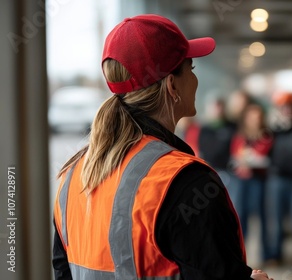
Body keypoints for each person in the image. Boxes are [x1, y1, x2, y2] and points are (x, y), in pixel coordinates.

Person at [52, 14, 272, 280]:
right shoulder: (185, 181)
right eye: (190, 69)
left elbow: (63, 272)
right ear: (172, 85)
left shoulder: (73, 175)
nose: (195, 80)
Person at [266, 93, 292, 265]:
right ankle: (275, 255)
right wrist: (271, 129)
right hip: (277, 179)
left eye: (290, 106)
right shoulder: (273, 130)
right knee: (276, 220)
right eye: (284, 107)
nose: (287, 110)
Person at [230, 103, 273, 264]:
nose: (255, 120)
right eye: (252, 117)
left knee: (262, 217)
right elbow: (235, 156)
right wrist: (248, 158)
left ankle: (267, 254)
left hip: (259, 181)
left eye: (258, 117)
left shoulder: (266, 135)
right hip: (241, 181)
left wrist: (247, 158)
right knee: (241, 218)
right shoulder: (240, 136)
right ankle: (240, 256)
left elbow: (261, 157)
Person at [198, 98, 236, 187]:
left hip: (228, 171)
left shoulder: (232, 127)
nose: (218, 110)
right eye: (215, 107)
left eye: (220, 106)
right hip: (210, 170)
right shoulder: (205, 129)